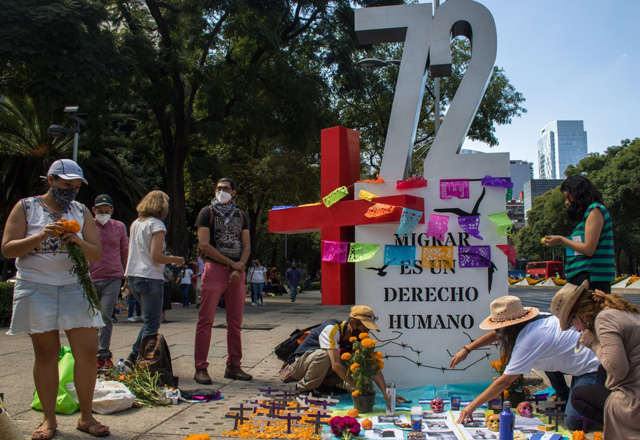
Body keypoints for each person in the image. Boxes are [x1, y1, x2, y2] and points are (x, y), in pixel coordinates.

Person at [1, 159, 109, 438]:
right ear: (50, 180)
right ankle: (49, 419)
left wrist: (79, 241)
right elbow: (8, 249)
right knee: (46, 353)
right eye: (66, 185)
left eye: (76, 186)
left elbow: (96, 253)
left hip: (75, 287)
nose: (71, 191)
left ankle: (86, 417)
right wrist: (39, 236)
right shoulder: (26, 207)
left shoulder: (80, 210)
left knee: (87, 353)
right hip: (37, 287)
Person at [450, 295, 601, 430]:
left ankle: (607, 411)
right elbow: (496, 335)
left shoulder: (529, 340)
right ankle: (565, 396)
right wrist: (467, 349)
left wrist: (472, 406)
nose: (498, 330)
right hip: (575, 362)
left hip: (592, 368)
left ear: (509, 326)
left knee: (574, 422)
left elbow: (505, 382)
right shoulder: (530, 321)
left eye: (500, 327)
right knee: (545, 359)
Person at [551, 281, 640, 438]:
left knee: (578, 395)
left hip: (634, 401)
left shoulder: (604, 319)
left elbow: (618, 369)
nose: (577, 329)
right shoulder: (619, 310)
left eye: (572, 323)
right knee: (601, 371)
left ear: (581, 315)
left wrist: (593, 343)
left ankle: (619, 424)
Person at [194, 178, 251, 384]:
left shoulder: (241, 215)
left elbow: (246, 246)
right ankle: (201, 367)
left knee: (235, 323)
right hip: (215, 270)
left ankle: (234, 365)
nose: (221, 191)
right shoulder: (206, 213)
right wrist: (231, 264)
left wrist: (239, 266)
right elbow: (204, 245)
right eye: (218, 188)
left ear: (233, 192)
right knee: (205, 321)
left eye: (225, 188)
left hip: (236, 273)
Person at [287, 305, 402, 403]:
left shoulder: (358, 337)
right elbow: (335, 366)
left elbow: (373, 365)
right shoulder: (332, 329)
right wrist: (359, 387)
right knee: (326, 356)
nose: (366, 332)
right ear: (352, 323)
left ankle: (325, 386)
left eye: (368, 330)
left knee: (357, 359)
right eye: (365, 329)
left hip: (319, 367)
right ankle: (303, 389)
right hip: (298, 367)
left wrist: (386, 393)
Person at [124, 190, 184, 369]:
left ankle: (135, 355)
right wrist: (175, 260)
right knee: (152, 323)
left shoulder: (136, 223)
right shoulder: (157, 225)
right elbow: (156, 256)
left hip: (134, 276)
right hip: (150, 276)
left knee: (149, 321)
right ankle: (137, 358)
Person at [543, 175, 614, 293]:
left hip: (591, 277)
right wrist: (561, 242)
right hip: (582, 275)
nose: (566, 202)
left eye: (567, 197)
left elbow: (588, 249)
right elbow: (579, 248)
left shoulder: (595, 211)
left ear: (577, 192)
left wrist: (561, 240)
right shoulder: (583, 218)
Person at [90, 194, 129, 369]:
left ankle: (102, 354)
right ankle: (90, 352)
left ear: (112, 210)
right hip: (91, 277)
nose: (103, 214)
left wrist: (126, 274)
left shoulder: (119, 227)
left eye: (106, 211)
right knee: (90, 318)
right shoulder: (87, 226)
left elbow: (125, 251)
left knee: (105, 316)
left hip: (112, 277)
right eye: (100, 211)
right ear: (93, 210)